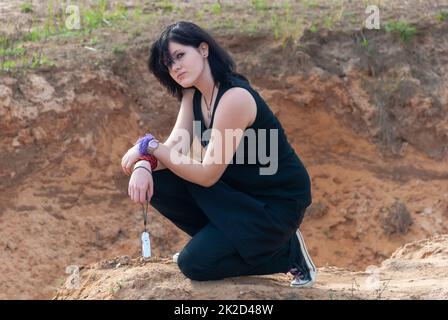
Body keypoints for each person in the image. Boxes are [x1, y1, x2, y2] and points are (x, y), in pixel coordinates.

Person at [121, 21, 316, 287]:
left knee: (193, 264)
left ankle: (288, 253)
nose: (175, 67)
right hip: (239, 195)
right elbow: (175, 146)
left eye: (180, 56)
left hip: (275, 202)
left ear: (203, 49)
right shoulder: (193, 96)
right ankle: (217, 244)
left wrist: (149, 146)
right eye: (168, 63)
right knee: (161, 181)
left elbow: (207, 175)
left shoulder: (234, 98)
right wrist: (144, 163)